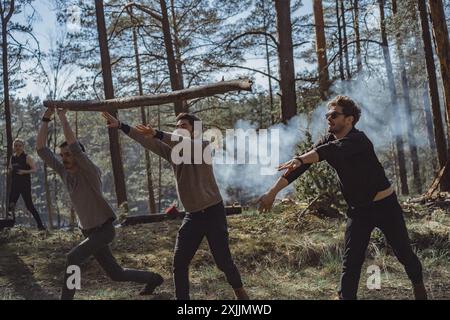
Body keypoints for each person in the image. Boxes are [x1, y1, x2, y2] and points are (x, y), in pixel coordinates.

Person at [257, 95, 427, 300]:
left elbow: (329, 151)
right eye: (327, 115)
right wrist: (272, 192)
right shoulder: (328, 139)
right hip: (359, 211)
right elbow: (300, 167)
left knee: (404, 254)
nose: (329, 118)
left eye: (334, 115)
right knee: (351, 262)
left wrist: (301, 158)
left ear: (349, 119)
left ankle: (419, 286)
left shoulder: (359, 140)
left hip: (385, 206)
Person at [102, 111, 249, 300]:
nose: (179, 129)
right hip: (193, 216)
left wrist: (158, 133)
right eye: (177, 126)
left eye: (183, 126)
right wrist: (121, 125)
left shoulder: (202, 145)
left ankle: (239, 290)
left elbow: (181, 143)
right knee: (179, 263)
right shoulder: (173, 151)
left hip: (213, 212)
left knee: (223, 262)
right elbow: (146, 140)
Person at [36, 107, 163, 300]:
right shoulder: (64, 173)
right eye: (62, 155)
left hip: (104, 230)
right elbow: (41, 149)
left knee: (73, 257)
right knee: (116, 274)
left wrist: (62, 117)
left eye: (68, 155)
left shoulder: (90, 172)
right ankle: (154, 278)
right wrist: (46, 118)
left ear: (80, 156)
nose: (65, 159)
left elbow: (75, 147)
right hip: (88, 231)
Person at [8, 138, 46, 230]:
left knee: (29, 206)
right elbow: (10, 168)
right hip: (14, 185)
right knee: (10, 205)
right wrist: (9, 171)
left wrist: (24, 172)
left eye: (19, 146)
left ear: (23, 147)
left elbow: (34, 169)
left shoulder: (27, 157)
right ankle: (9, 226)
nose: (17, 147)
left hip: (25, 185)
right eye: (16, 145)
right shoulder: (12, 157)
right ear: (13, 147)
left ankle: (40, 226)